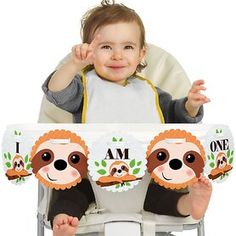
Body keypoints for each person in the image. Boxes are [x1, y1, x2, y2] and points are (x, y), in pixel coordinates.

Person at [42, 1, 212, 235]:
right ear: (90, 51)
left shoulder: (151, 93)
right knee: (68, 191)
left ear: (142, 53)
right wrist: (73, 65)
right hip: (91, 179)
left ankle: (190, 203)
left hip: (145, 178)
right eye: (106, 47)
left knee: (167, 191)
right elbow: (57, 92)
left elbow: (177, 119)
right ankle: (63, 221)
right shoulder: (83, 89)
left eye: (128, 47)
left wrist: (190, 105)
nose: (117, 55)